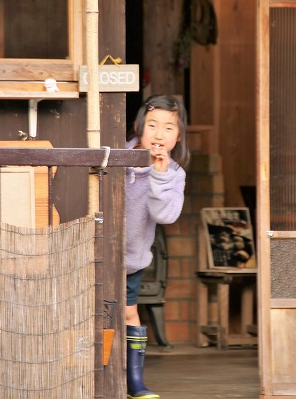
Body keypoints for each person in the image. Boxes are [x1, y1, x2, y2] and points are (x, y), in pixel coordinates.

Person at [125, 94, 190, 399]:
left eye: (168, 128)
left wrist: (159, 176)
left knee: (128, 314)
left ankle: (134, 382)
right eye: (152, 125)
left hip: (130, 260)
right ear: (138, 126)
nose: (158, 134)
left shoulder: (174, 174)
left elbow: (165, 215)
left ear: (177, 137)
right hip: (93, 254)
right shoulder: (117, 156)